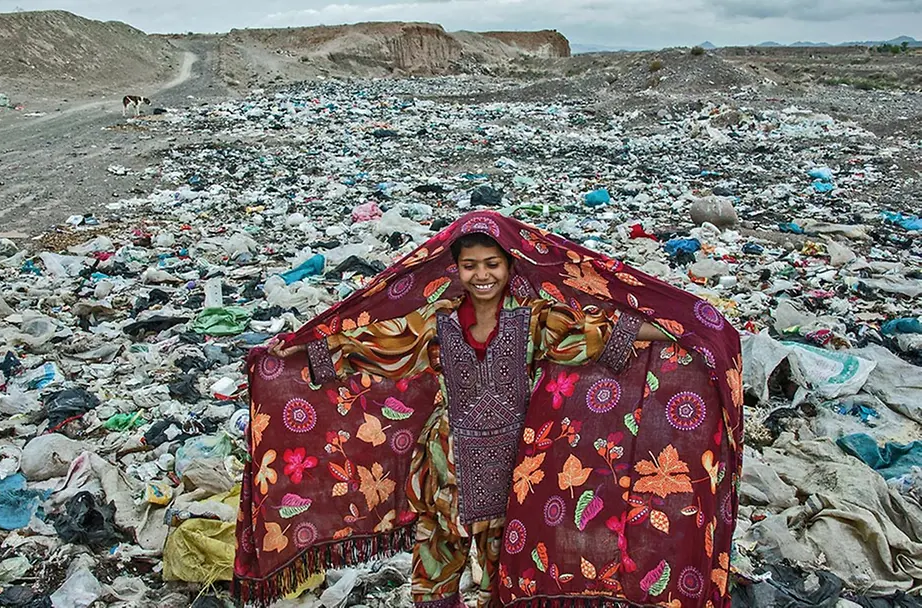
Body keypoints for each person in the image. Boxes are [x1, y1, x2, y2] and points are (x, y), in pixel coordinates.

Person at [235, 211, 743, 608]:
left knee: (508, 572)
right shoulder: (436, 323)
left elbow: (596, 338)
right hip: (444, 469)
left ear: (509, 267)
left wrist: (685, 333)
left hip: (516, 471)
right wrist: (296, 352)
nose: (481, 275)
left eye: (492, 264)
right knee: (435, 573)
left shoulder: (536, 321)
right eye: (470, 265)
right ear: (455, 269)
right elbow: (373, 347)